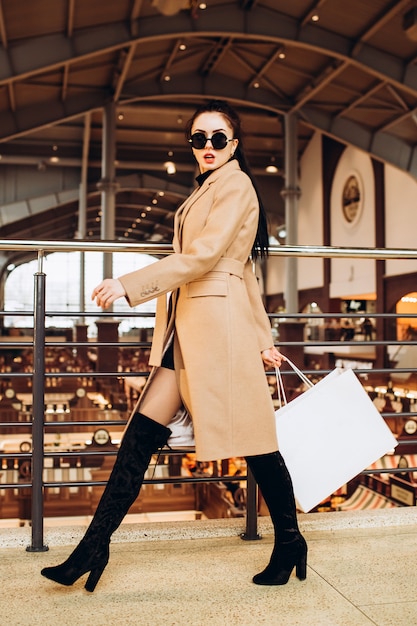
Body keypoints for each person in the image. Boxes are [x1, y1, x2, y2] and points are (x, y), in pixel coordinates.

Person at [41, 99, 307, 592]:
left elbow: (206, 258)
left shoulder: (237, 185)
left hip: (216, 333)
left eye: (217, 139)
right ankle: (92, 547)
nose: (207, 147)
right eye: (198, 139)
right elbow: (245, 272)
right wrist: (264, 338)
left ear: (234, 144)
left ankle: (290, 540)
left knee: (256, 444)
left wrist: (129, 283)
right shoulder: (208, 189)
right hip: (192, 331)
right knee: (139, 437)